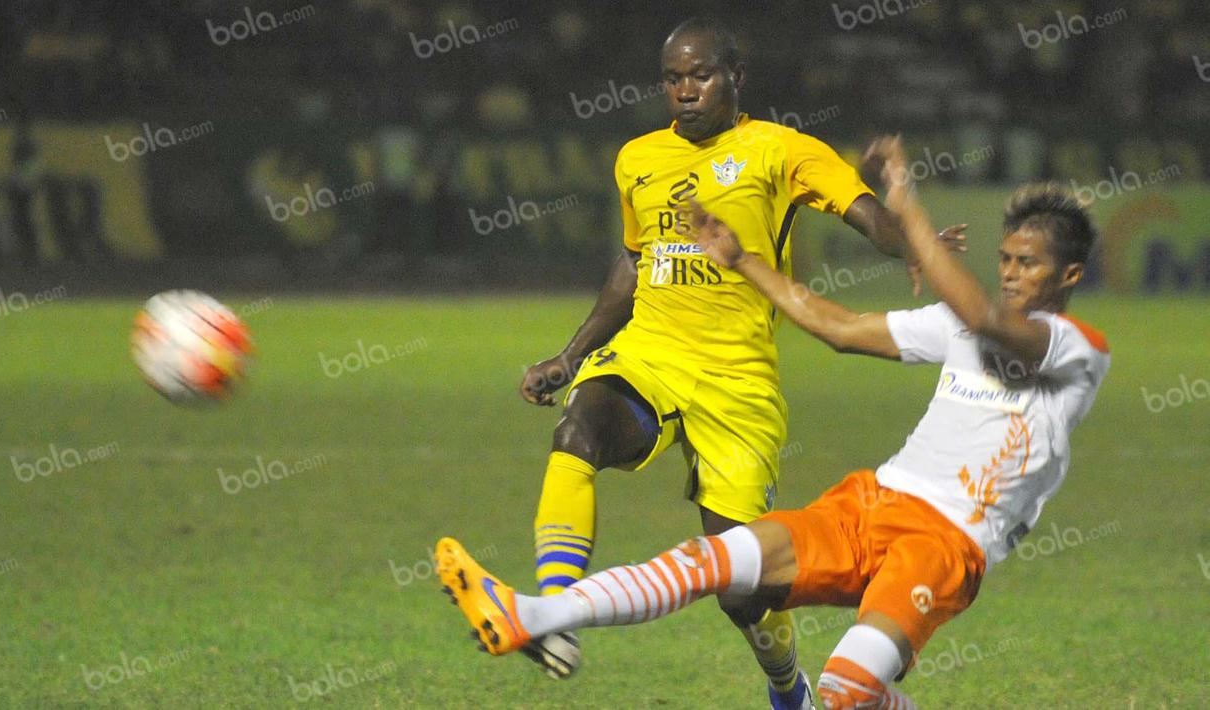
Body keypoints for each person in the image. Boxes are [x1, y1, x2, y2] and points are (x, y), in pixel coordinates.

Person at [440, 136, 1110, 709]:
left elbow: (984, 320)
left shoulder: (1075, 348)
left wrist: (904, 204)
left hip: (946, 542)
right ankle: (531, 614)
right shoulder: (959, 324)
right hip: (872, 501)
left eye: (1028, 263)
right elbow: (840, 327)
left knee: (846, 688)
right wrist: (742, 262)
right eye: (1004, 260)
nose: (1011, 273)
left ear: (1069, 274)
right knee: (715, 563)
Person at [514, 17, 916, 705]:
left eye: (699, 75)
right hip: (650, 352)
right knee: (577, 431)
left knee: (741, 587)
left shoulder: (781, 150)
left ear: (737, 77)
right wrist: (570, 355)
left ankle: (786, 687)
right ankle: (553, 613)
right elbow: (634, 266)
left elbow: (873, 224)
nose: (685, 90)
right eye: (673, 79)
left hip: (737, 381)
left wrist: (908, 227)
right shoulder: (637, 157)